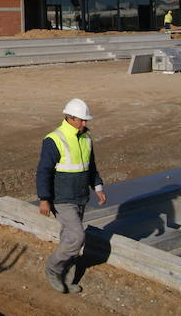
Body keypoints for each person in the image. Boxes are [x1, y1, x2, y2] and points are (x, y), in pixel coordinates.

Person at [36, 98, 106, 294]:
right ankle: (52, 268)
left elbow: (90, 167)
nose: (85, 124)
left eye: (86, 120)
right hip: (61, 198)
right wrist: (44, 198)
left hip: (80, 196)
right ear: (69, 117)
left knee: (68, 238)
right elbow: (44, 171)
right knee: (77, 236)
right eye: (82, 120)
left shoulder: (86, 138)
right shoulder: (54, 139)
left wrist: (98, 187)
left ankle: (67, 279)